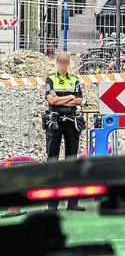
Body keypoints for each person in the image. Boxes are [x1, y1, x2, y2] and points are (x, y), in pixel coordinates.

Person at [44, 52, 86, 211]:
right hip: (54, 121)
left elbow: (80, 100)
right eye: (60, 62)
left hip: (71, 121)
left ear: (69, 63)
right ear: (56, 62)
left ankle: (72, 203)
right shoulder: (50, 79)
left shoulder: (74, 80)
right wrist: (69, 97)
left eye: (65, 62)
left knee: (72, 161)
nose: (62, 65)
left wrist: (63, 99)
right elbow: (51, 100)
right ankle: (52, 205)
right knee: (52, 160)